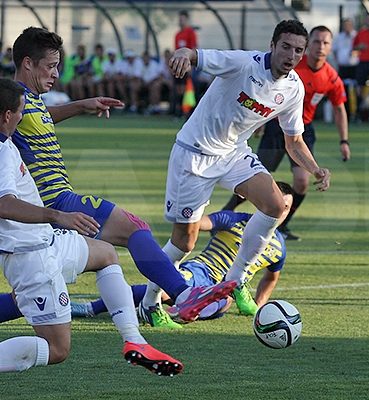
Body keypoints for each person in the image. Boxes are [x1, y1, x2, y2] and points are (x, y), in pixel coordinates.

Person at [0, 26, 235, 336]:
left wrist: (81, 106)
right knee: (135, 228)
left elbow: (38, 116)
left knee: (23, 299)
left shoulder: (26, 101)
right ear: (28, 64)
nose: (57, 73)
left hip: (42, 213)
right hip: (54, 200)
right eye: (51, 66)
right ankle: (183, 294)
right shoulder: (11, 98)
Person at [0, 78, 184, 400]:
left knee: (105, 254)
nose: (24, 116)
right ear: (7, 115)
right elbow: (4, 204)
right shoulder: (0, 155)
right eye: (21, 110)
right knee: (57, 348)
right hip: (31, 255)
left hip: (45, 242)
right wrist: (57, 215)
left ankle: (135, 340)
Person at [162, 19, 330, 319]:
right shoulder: (243, 63)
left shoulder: (293, 88)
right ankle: (150, 301)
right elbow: (196, 55)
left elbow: (294, 141)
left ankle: (236, 278)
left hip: (233, 154)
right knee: (183, 242)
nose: (291, 55)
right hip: (194, 155)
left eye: (298, 51)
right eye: (286, 47)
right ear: (273, 46)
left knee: (276, 206)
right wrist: (183, 55)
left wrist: (315, 169)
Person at [74, 181, 295, 323]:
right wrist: (191, 214)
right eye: (278, 205)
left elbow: (271, 277)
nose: (281, 212)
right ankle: (90, 309)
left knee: (223, 303)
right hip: (201, 271)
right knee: (166, 291)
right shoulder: (236, 220)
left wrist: (260, 307)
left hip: (223, 291)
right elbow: (202, 223)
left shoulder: (279, 247)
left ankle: (169, 311)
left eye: (286, 208)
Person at [221, 25, 348, 241]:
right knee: (253, 178)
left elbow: (339, 108)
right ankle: (225, 214)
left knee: (301, 182)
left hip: (302, 131)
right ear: (309, 46)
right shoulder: (292, 66)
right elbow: (266, 91)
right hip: (274, 126)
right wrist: (259, 119)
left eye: (325, 43)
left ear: (331, 48)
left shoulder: (331, 77)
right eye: (316, 41)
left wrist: (344, 140)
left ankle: (282, 226)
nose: (320, 47)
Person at [173, 10, 198, 118]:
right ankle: (178, 110)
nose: (180, 21)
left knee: (186, 88)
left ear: (186, 20)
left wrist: (191, 65)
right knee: (178, 88)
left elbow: (194, 49)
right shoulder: (178, 34)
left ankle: (187, 111)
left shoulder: (191, 33)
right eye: (179, 19)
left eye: (182, 19)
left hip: (187, 65)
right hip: (178, 64)